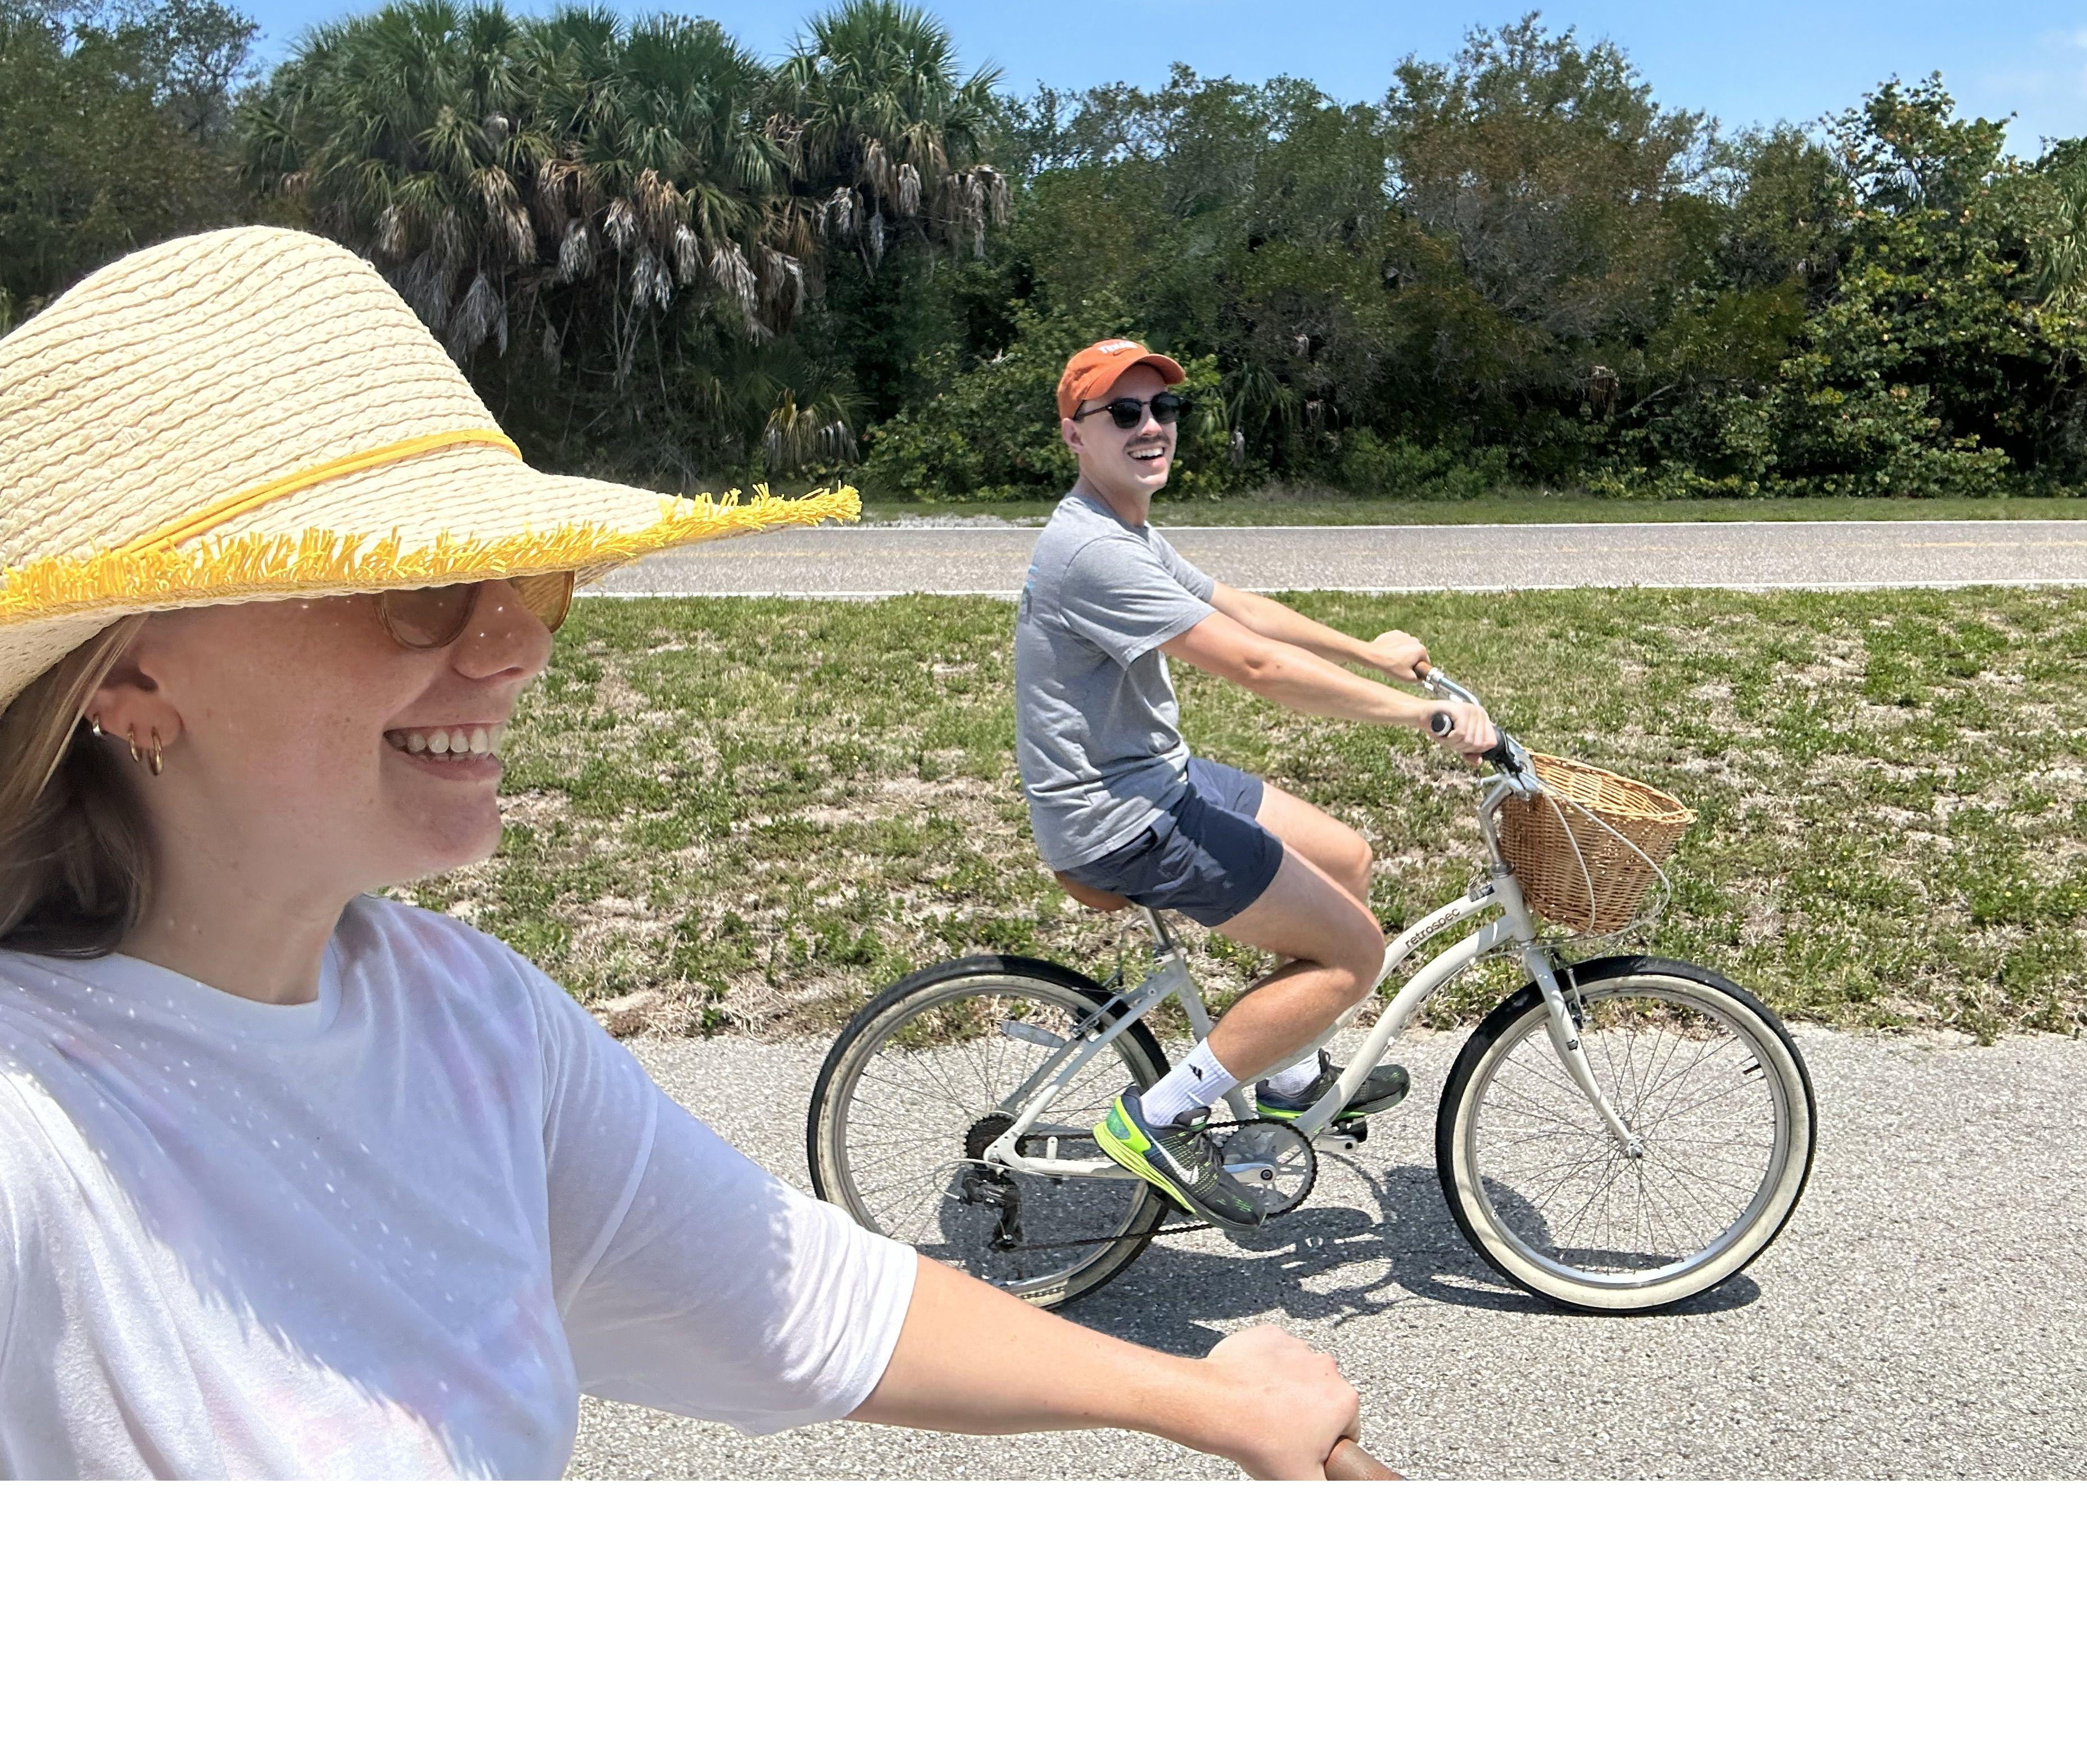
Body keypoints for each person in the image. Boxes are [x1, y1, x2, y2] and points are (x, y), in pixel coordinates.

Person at [0, 229, 1365, 1480]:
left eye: (529, 578)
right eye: (419, 586)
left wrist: (1210, 1402)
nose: (521, 644)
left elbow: (802, 1299)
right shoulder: (32, 1132)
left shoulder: (465, 1016)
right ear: (128, 680)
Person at [1014, 340, 1498, 1231]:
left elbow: (1239, 607)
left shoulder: (1127, 527)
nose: (1151, 427)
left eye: (1163, 410)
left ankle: (1281, 1080)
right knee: (1354, 956)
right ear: (1073, 436)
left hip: (1156, 777)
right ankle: (1156, 1119)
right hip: (1122, 817)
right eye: (1123, 413)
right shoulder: (1091, 551)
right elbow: (1254, 665)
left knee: (1346, 856)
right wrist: (1419, 717)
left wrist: (1370, 651)